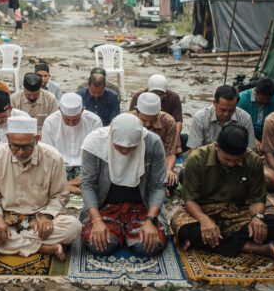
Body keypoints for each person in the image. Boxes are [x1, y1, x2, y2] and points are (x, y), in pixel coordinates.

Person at [0, 116, 81, 259]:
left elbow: (60, 195)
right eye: (14, 146)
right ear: (8, 138)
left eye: (26, 147)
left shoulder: (53, 157)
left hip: (38, 219)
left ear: (37, 139)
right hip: (6, 217)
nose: (20, 152)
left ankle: (2, 245)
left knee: (74, 227)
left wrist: (47, 216)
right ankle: (43, 248)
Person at [172, 125, 274, 260]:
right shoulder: (197, 159)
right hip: (203, 210)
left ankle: (213, 242)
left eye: (237, 160)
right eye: (226, 159)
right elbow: (190, 201)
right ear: (216, 146)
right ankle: (252, 247)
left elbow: (257, 199)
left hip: (236, 212)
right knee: (185, 230)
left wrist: (257, 217)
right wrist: (204, 220)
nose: (231, 164)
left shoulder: (253, 160)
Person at [80, 114, 169, 257]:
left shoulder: (152, 143)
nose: (125, 151)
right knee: (99, 244)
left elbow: (158, 186)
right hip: (105, 207)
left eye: (132, 147)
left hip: (142, 206)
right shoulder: (94, 143)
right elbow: (87, 184)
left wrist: (151, 220)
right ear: (111, 137)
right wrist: (96, 220)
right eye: (119, 147)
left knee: (148, 246)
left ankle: (130, 233)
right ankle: (121, 233)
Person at [41, 93, 102, 194]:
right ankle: (69, 187)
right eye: (67, 119)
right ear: (59, 110)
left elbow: (97, 154)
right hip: (59, 168)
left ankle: (65, 186)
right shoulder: (50, 122)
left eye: (75, 119)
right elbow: (47, 155)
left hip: (86, 168)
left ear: (82, 110)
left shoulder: (94, 121)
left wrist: (75, 180)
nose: (71, 123)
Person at [129, 92, 181, 190]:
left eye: (153, 120)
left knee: (171, 182)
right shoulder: (128, 119)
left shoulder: (169, 121)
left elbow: (170, 153)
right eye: (144, 120)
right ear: (137, 112)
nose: (148, 124)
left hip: (157, 164)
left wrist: (168, 169)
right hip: (132, 163)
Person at [188, 85, 256, 150]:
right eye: (223, 110)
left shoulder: (245, 119)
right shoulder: (200, 117)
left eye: (231, 110)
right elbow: (194, 149)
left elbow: (250, 149)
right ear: (214, 103)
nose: (226, 114)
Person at [236, 78, 274, 144]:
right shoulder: (242, 99)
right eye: (261, 99)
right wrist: (252, 139)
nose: (264, 102)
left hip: (268, 132)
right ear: (255, 91)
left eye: (268, 100)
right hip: (245, 132)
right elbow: (237, 125)